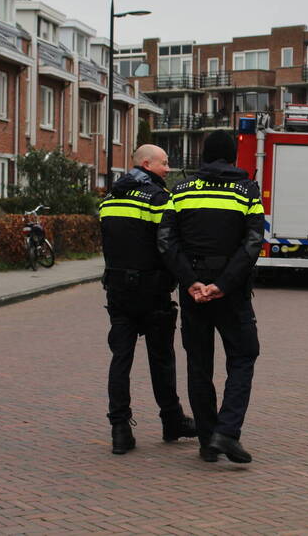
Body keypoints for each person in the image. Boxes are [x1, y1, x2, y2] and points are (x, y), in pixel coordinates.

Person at [159, 131, 263, 464]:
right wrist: (223, 284)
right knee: (243, 357)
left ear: (204, 156)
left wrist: (191, 282)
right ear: (233, 157)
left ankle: (207, 441)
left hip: (193, 294)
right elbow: (252, 243)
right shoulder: (247, 191)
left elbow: (166, 241)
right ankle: (227, 433)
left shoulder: (181, 190)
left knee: (199, 364)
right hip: (231, 294)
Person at [98, 144, 196, 454]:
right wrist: (188, 278)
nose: (168, 169)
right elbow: (167, 245)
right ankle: (172, 420)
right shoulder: (158, 199)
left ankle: (120, 428)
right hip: (152, 290)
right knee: (161, 358)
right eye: (164, 163)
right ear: (146, 163)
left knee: (121, 359)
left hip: (117, 290)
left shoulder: (109, 200)